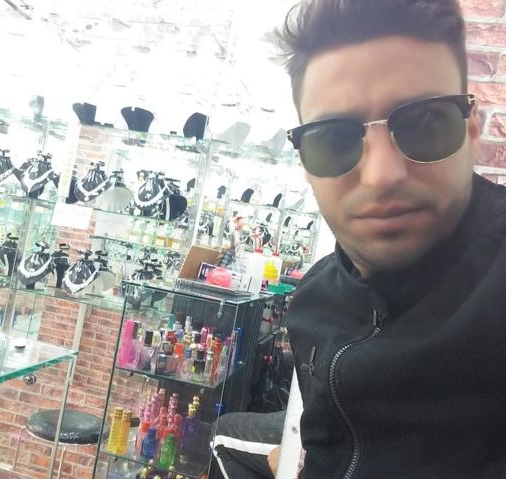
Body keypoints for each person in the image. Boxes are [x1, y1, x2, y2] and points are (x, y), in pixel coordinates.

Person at [213, 0, 506, 478]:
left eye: (426, 124)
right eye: (334, 139)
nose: (381, 175)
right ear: (305, 162)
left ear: (471, 132)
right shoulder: (313, 301)